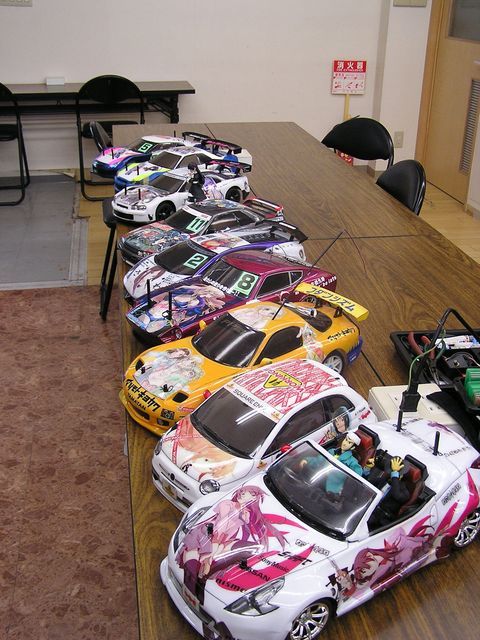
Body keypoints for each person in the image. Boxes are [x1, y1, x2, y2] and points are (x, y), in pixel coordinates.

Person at [366, 456, 411, 529]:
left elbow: (396, 495)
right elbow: (367, 483)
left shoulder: (404, 491)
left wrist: (395, 474)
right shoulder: (384, 480)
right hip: (369, 509)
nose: (391, 475)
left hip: (382, 519)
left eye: (394, 473)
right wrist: (367, 468)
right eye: (391, 472)